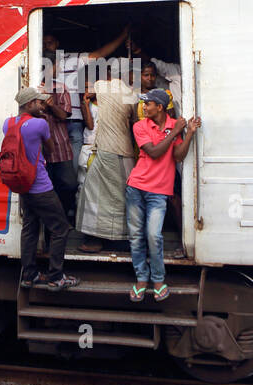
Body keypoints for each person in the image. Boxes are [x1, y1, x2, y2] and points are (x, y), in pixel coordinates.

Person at [127, 88, 199, 302]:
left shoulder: (173, 125)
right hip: (136, 187)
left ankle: (158, 280)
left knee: (153, 236)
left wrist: (190, 135)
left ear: (159, 107)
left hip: (159, 191)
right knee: (136, 236)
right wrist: (175, 132)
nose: (144, 107)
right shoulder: (140, 126)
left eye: (147, 104)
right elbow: (155, 152)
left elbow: (178, 156)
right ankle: (141, 279)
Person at [4, 86, 78, 292]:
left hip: (22, 184)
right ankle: (56, 277)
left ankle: (29, 275)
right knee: (60, 228)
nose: (42, 105)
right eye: (39, 102)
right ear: (30, 104)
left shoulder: (7, 123)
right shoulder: (39, 124)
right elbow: (51, 148)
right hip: (40, 185)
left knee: (30, 227)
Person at [44, 26, 130, 169]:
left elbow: (100, 54)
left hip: (74, 122)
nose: (47, 47)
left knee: (75, 167)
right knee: (54, 169)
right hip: (51, 123)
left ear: (57, 43)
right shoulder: (34, 65)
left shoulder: (72, 59)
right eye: (45, 44)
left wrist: (123, 35)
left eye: (50, 43)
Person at [76, 77, 138, 253]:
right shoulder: (130, 98)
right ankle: (121, 237)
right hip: (125, 152)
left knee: (94, 195)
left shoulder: (104, 90)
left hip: (108, 151)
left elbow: (94, 88)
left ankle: (105, 238)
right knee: (120, 196)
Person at [41, 87, 77, 219]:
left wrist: (50, 105)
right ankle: (51, 227)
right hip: (41, 151)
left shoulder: (60, 88)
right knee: (46, 191)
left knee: (70, 185)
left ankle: (63, 218)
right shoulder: (34, 84)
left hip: (60, 147)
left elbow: (63, 115)